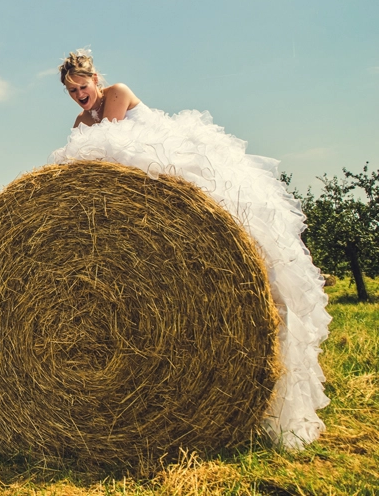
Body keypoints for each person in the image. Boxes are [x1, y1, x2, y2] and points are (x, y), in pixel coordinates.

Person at [49, 49, 331, 450]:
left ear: (96, 79)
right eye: (71, 91)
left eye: (82, 86)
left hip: (160, 163)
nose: (79, 95)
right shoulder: (81, 118)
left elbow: (109, 151)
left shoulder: (116, 94)